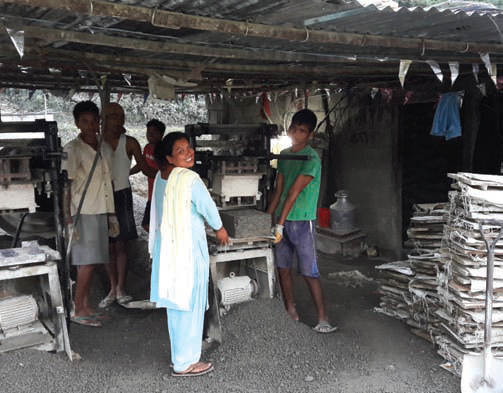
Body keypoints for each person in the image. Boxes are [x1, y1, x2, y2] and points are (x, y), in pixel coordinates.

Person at [148, 132, 229, 377]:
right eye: (181, 150)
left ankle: (180, 356)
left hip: (169, 251)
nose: (189, 153)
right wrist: (221, 229)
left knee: (176, 305)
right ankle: (186, 362)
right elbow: (207, 206)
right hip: (186, 251)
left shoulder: (163, 177)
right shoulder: (189, 178)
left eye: (189, 148)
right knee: (190, 304)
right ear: (169, 157)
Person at [266, 108, 337, 333]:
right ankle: (291, 311)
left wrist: (279, 223)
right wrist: (267, 218)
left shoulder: (311, 159)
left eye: (302, 131)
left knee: (309, 271)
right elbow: (278, 191)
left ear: (311, 135)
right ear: (289, 129)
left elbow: (293, 193)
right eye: (294, 129)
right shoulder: (285, 155)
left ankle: (323, 318)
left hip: (301, 221)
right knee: (282, 267)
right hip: (283, 220)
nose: (297, 134)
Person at [62, 100, 116, 327]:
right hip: (83, 211)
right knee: (86, 262)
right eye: (85, 121)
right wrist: (67, 217)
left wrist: (112, 215)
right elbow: (66, 186)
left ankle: (84, 305)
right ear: (76, 123)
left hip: (101, 209)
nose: (90, 125)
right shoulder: (72, 149)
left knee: (93, 261)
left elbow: (108, 183)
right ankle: (78, 309)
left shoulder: (105, 148)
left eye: (94, 120)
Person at [99, 102, 156, 308]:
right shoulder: (95, 142)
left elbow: (144, 167)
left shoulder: (130, 142)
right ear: (103, 119)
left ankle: (121, 288)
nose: (119, 119)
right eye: (113, 115)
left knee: (122, 245)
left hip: (122, 195)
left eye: (121, 115)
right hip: (100, 197)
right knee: (107, 246)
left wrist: (169, 175)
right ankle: (112, 288)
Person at [130, 119, 165, 232]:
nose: (150, 134)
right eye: (148, 131)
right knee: (147, 225)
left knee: (152, 224)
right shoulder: (147, 148)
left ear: (161, 134)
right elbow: (141, 165)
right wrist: (127, 173)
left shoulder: (164, 152)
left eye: (154, 132)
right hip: (152, 194)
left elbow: (164, 173)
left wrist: (148, 172)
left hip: (162, 194)